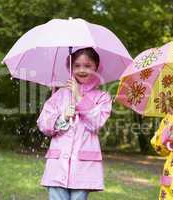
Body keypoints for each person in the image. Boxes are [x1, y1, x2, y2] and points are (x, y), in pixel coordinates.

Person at [37, 47, 112, 200]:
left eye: (87, 65)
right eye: (77, 65)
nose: (82, 70)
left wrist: (79, 97)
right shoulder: (60, 94)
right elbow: (43, 124)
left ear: (96, 67)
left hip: (83, 166)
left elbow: (96, 123)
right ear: (71, 67)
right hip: (58, 165)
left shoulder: (102, 97)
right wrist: (62, 117)